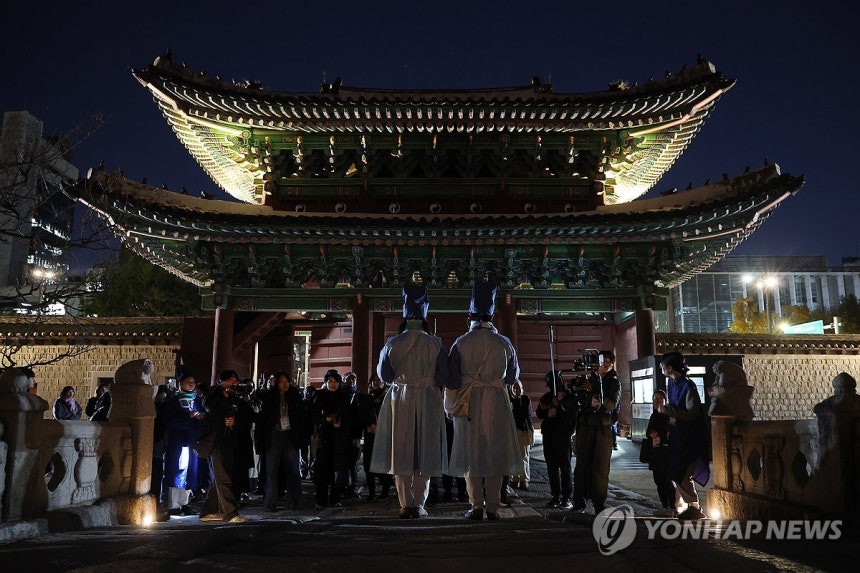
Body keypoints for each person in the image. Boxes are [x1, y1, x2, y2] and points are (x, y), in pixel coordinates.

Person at [370, 283, 450, 519]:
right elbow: (444, 376)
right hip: (427, 397)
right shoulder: (435, 343)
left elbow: (384, 375)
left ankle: (405, 503)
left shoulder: (392, 343)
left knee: (401, 452)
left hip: (401, 398)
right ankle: (420, 504)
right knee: (425, 451)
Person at [446, 279, 523, 521]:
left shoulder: (461, 343)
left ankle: (476, 505)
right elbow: (512, 377)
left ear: (470, 314)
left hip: (470, 400)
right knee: (496, 454)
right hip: (497, 401)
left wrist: (449, 406)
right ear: (492, 314)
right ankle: (492, 507)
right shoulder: (505, 343)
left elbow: (452, 380)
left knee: (472, 454)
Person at [657, 351, 710, 520]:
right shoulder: (672, 383)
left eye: (663, 365)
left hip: (689, 436)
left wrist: (667, 410)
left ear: (670, 368)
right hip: (678, 434)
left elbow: (692, 414)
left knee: (681, 472)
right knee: (675, 471)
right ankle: (682, 506)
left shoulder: (689, 386)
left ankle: (694, 507)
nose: (661, 367)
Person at [571, 350, 621, 514]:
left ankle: (599, 503)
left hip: (603, 427)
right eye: (604, 361)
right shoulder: (587, 379)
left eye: (609, 362)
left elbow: (612, 404)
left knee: (600, 468)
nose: (606, 364)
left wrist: (597, 391)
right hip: (586, 425)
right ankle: (579, 502)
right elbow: (578, 400)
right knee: (582, 466)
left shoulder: (614, 383)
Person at [200, 369, 248, 523]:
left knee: (219, 479)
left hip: (229, 441)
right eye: (231, 380)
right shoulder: (214, 396)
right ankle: (230, 513)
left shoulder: (234, 398)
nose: (234, 383)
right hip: (215, 442)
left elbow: (242, 416)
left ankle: (207, 511)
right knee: (223, 478)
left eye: (235, 380)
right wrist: (220, 388)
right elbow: (207, 405)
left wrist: (233, 422)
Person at [259, 371, 310, 511]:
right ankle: (270, 502)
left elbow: (302, 419)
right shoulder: (269, 398)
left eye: (286, 381)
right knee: (271, 471)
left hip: (289, 435)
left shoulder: (295, 398)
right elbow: (263, 421)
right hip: (274, 435)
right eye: (281, 381)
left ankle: (294, 500)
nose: (284, 384)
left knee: (293, 469)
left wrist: (302, 438)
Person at [163, 370, 204, 516]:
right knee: (176, 472)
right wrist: (189, 417)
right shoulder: (174, 401)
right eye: (188, 381)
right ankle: (174, 505)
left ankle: (185, 503)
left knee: (189, 473)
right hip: (178, 441)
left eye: (193, 381)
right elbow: (170, 421)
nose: (191, 384)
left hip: (192, 441)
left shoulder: (198, 400)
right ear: (180, 384)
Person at [310, 369, 351, 509]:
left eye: (335, 381)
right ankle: (320, 500)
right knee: (322, 470)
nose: (332, 384)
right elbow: (313, 415)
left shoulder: (344, 396)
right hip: (323, 437)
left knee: (338, 470)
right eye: (330, 381)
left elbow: (350, 416)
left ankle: (336, 498)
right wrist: (324, 419)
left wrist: (341, 423)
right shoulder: (319, 395)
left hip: (339, 439)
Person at [536, 371, 576, 509]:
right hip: (549, 435)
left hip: (563, 435)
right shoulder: (547, 397)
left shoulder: (569, 396)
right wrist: (550, 406)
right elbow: (539, 413)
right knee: (551, 467)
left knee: (565, 467)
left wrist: (560, 404)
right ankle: (555, 495)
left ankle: (566, 497)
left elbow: (572, 413)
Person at [645, 389, 675, 516]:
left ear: (665, 400)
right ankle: (664, 505)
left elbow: (671, 432)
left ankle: (672, 505)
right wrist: (651, 434)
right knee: (658, 480)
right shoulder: (654, 415)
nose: (657, 401)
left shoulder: (669, 414)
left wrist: (660, 433)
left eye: (659, 398)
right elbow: (648, 432)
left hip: (667, 451)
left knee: (668, 480)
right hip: (656, 451)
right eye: (655, 399)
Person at [363, 372, 392, 501]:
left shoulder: (387, 396)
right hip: (370, 434)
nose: (375, 382)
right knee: (368, 464)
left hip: (384, 433)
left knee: (384, 463)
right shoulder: (367, 397)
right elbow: (362, 414)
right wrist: (369, 423)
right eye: (373, 380)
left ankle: (384, 492)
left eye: (378, 379)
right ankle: (371, 492)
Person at [510, 379, 534, 491]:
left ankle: (524, 479)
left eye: (519, 387)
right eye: (515, 388)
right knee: (513, 456)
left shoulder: (525, 400)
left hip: (523, 430)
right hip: (512, 430)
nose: (517, 390)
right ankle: (515, 478)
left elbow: (525, 414)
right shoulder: (510, 400)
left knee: (524, 456)